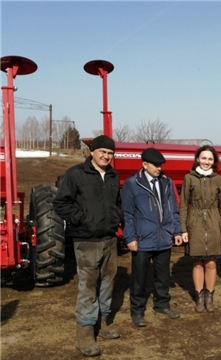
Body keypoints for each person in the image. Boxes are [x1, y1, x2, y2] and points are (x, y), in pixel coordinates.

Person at [53, 135, 122, 357]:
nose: (106, 156)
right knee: (88, 287)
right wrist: (82, 219)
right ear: (92, 152)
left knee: (108, 283)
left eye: (110, 153)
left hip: (109, 239)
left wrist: (116, 218)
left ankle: (103, 323)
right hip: (86, 241)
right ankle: (85, 333)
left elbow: (117, 203)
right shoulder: (76, 174)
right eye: (102, 151)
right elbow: (60, 203)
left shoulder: (112, 175)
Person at [121, 148, 183, 327]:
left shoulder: (167, 182)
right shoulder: (132, 184)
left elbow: (173, 210)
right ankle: (137, 311)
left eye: (161, 165)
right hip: (142, 239)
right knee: (139, 278)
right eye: (155, 165)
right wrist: (130, 237)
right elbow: (128, 213)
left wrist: (176, 232)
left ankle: (162, 305)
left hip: (163, 238)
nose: (159, 168)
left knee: (163, 275)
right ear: (144, 165)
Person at [180, 145, 221, 313]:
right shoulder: (189, 178)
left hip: (214, 222)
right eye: (204, 158)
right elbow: (184, 205)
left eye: (210, 159)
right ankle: (199, 296)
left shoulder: (218, 180)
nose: (206, 161)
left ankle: (210, 296)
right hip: (195, 221)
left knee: (211, 262)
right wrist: (184, 229)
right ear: (197, 159)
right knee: (197, 262)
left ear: (214, 161)